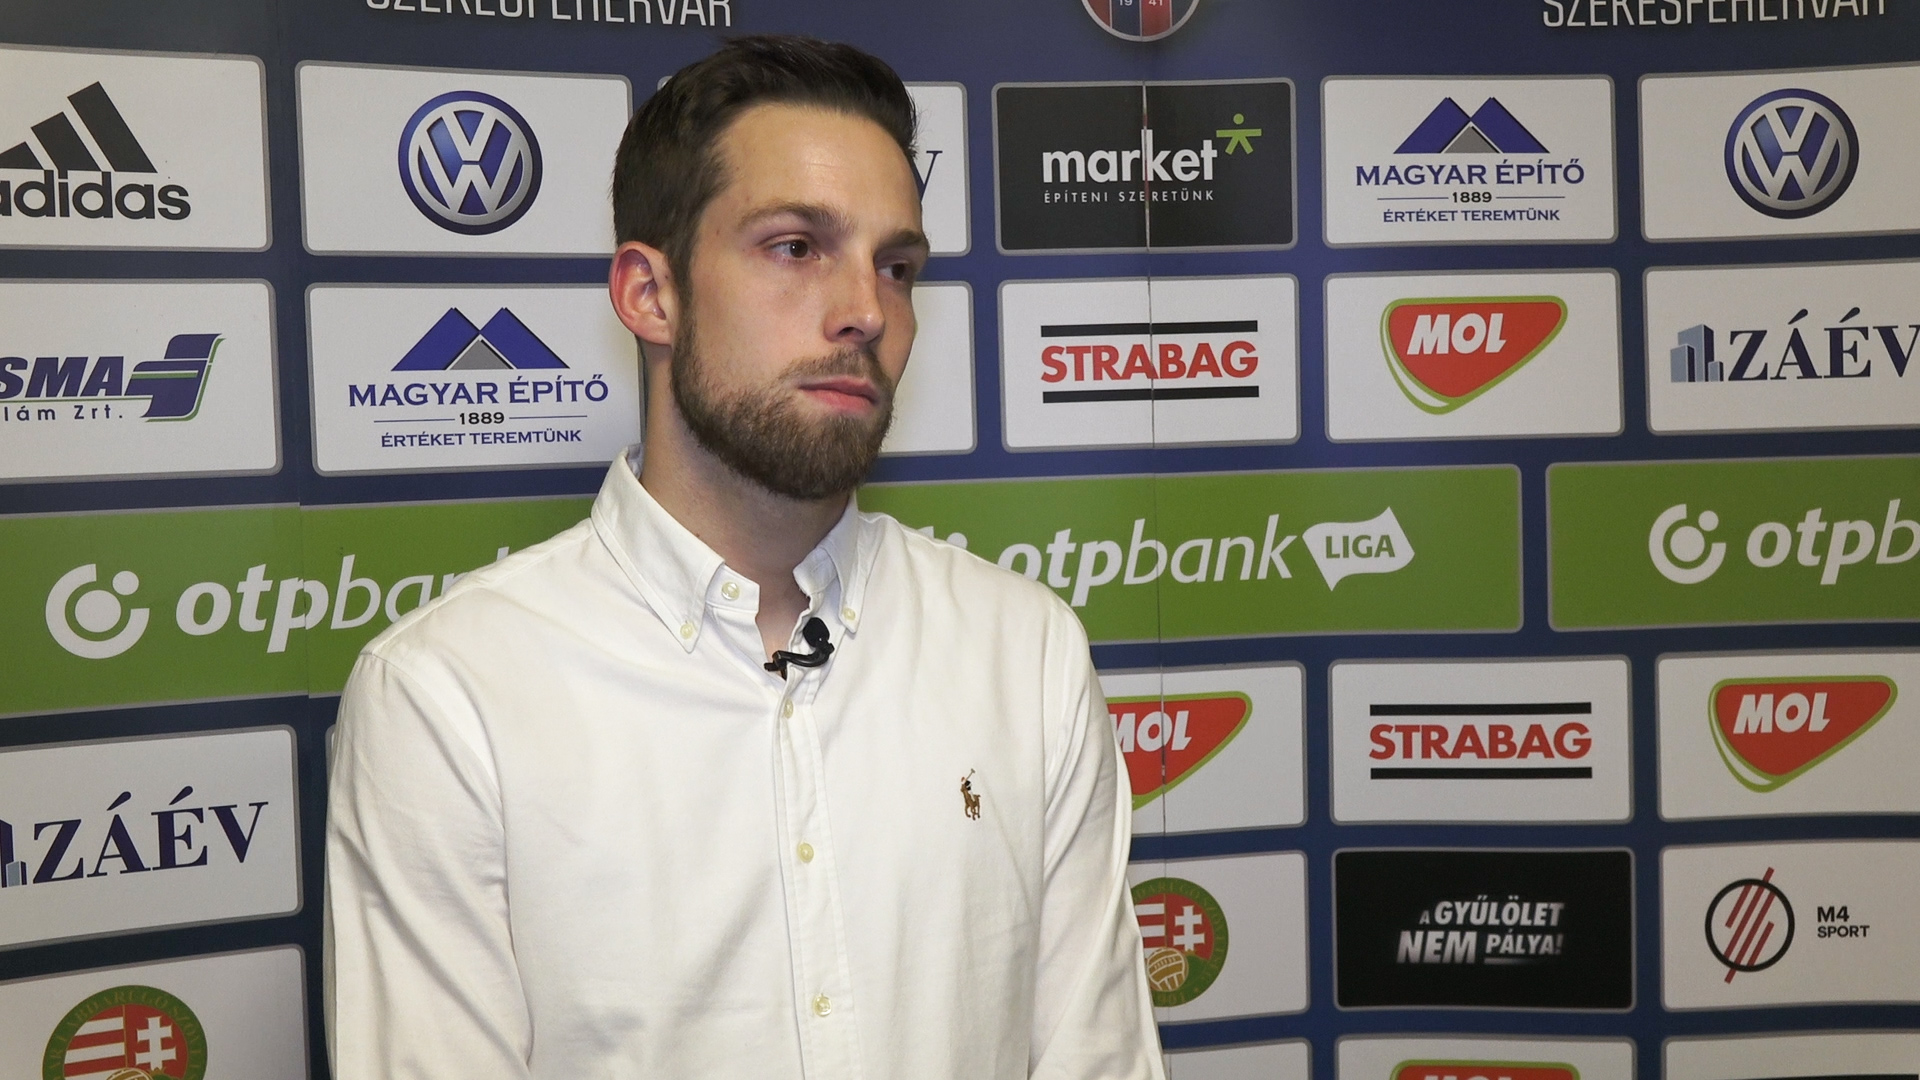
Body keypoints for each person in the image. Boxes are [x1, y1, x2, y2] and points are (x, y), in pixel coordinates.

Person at [324, 35, 1163, 1079]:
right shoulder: (450, 697)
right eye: (796, 247)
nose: (867, 310)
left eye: (897, 267)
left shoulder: (1024, 652)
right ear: (650, 293)